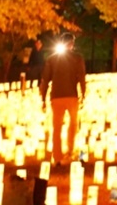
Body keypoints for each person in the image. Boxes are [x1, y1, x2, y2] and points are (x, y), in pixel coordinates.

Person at [40, 33, 87, 165]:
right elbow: (82, 77)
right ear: (72, 43)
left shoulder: (51, 59)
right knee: (73, 125)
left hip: (56, 97)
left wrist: (43, 99)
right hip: (71, 96)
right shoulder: (77, 58)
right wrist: (83, 94)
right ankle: (70, 151)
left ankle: (57, 157)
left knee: (57, 128)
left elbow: (45, 80)